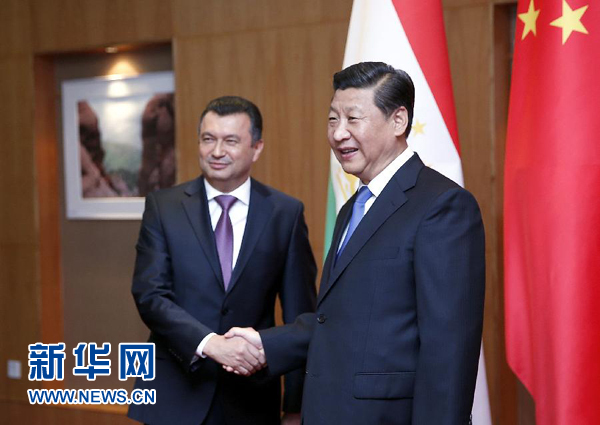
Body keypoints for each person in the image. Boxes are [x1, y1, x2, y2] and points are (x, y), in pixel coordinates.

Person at [226, 62, 485, 424]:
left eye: (353, 119)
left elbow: (449, 348)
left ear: (398, 120)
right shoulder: (353, 207)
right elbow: (339, 317)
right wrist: (265, 343)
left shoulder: (442, 206)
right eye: (333, 119)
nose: (338, 133)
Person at [128, 96, 317, 425]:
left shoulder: (284, 214)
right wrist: (210, 343)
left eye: (231, 141)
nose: (217, 151)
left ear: (256, 148)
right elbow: (150, 295)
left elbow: (300, 314)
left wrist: (295, 405)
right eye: (208, 139)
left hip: (252, 398)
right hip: (175, 393)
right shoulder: (163, 207)